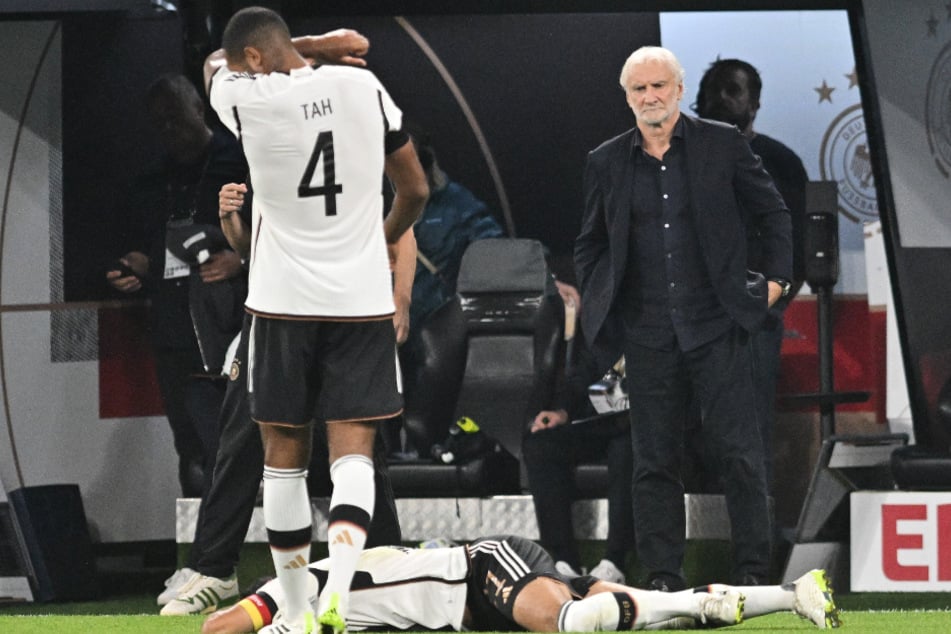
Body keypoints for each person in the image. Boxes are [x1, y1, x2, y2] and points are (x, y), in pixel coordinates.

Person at [158, 27, 408, 616]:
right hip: (337, 299)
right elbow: (412, 194)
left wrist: (399, 291)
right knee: (346, 448)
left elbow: (219, 64)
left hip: (292, 306)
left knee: (287, 453)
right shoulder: (359, 93)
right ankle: (333, 586)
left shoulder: (255, 104)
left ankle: (325, 594)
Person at [574, 46, 792, 591]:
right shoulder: (605, 161)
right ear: (626, 98)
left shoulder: (722, 144)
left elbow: (775, 214)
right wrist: (606, 309)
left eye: (659, 86)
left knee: (739, 455)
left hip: (718, 324)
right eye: (639, 89)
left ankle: (750, 573)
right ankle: (664, 577)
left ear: (678, 87)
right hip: (646, 333)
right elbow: (590, 246)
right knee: (653, 463)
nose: (650, 96)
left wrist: (777, 284)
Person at [199, 534, 840, 633]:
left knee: (571, 622)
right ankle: (795, 595)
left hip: (482, 566)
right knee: (655, 611)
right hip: (475, 612)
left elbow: (216, 625)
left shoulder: (302, 585)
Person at [106, 73, 248, 498]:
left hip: (232, 326)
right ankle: (198, 545)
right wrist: (133, 267)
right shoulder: (152, 182)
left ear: (199, 110)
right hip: (174, 330)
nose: (169, 129)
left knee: (237, 441)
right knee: (190, 444)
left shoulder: (240, 162)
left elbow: (279, 233)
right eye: (160, 123)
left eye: (176, 118)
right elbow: (149, 250)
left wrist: (241, 261)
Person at [693, 58, 809, 488]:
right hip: (688, 316)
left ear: (755, 103)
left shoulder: (781, 163)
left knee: (749, 437)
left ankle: (756, 551)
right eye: (714, 89)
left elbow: (795, 254)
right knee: (682, 431)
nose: (722, 98)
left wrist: (766, 308)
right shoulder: (671, 159)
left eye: (733, 90)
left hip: (752, 321)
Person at [523, 335, 634, 584]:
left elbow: (627, 380)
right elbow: (581, 375)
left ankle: (615, 561)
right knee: (540, 444)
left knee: (628, 447)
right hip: (599, 420)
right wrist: (562, 411)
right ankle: (564, 561)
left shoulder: (650, 318)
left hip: (637, 424)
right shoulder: (603, 326)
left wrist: (586, 406)